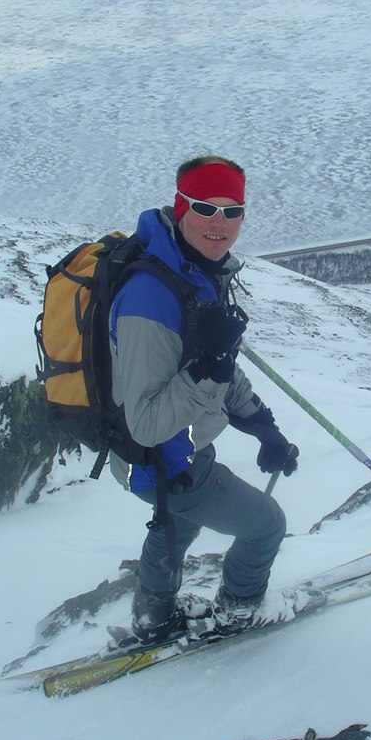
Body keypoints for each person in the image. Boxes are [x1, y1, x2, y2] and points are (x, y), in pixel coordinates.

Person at [109, 155, 314, 643]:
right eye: (205, 207)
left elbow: (217, 368)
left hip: (168, 458)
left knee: (177, 523)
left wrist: (263, 426)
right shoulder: (151, 299)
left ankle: (152, 617)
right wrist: (210, 366)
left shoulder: (191, 271)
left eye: (232, 210)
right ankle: (241, 610)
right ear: (180, 207)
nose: (219, 224)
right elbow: (147, 423)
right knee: (266, 526)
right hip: (157, 455)